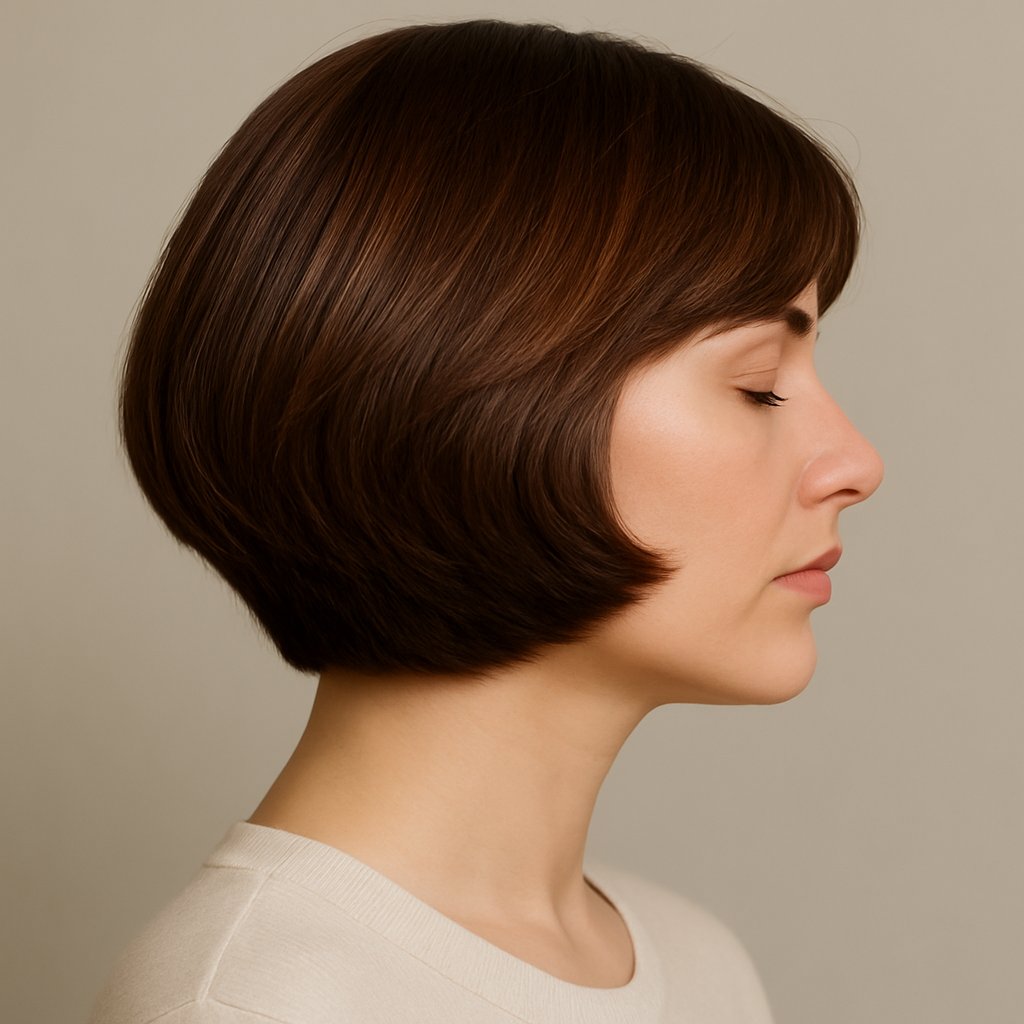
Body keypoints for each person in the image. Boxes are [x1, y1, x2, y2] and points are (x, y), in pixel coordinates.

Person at [88, 18, 883, 1024]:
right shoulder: (264, 1003)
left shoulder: (697, 963)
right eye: (759, 385)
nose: (857, 463)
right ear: (469, 392)